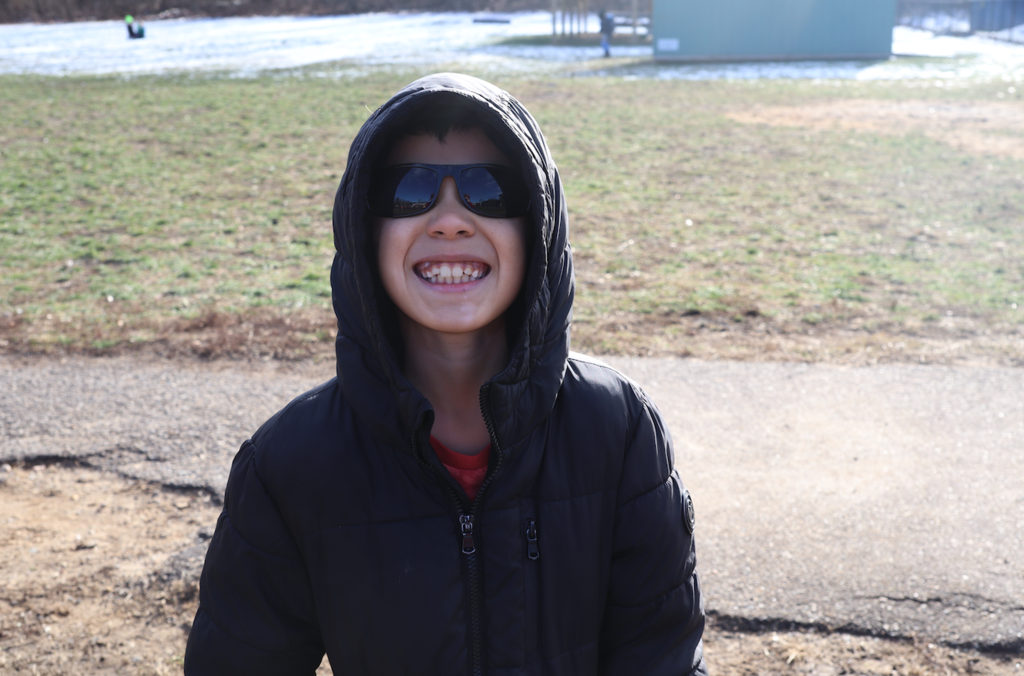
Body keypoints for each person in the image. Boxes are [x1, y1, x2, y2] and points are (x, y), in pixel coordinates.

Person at [183, 73, 707, 676]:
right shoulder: (290, 464)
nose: (451, 220)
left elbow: (660, 655)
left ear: (538, 226)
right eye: (409, 191)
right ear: (363, 230)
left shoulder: (616, 431)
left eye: (491, 190)